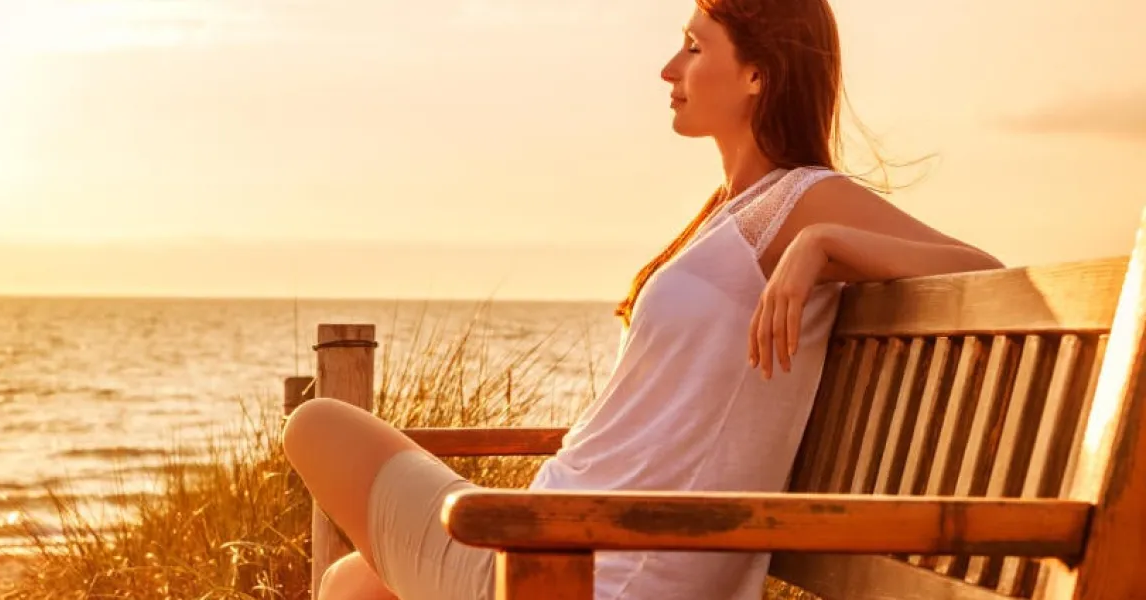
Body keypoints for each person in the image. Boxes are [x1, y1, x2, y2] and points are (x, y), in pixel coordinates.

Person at [282, 0, 1005, 598]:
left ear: (757, 72)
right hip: (566, 534)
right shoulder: (730, 209)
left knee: (315, 425)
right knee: (354, 582)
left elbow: (983, 270)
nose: (669, 68)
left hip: (602, 566)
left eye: (694, 47)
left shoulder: (803, 200)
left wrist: (824, 244)